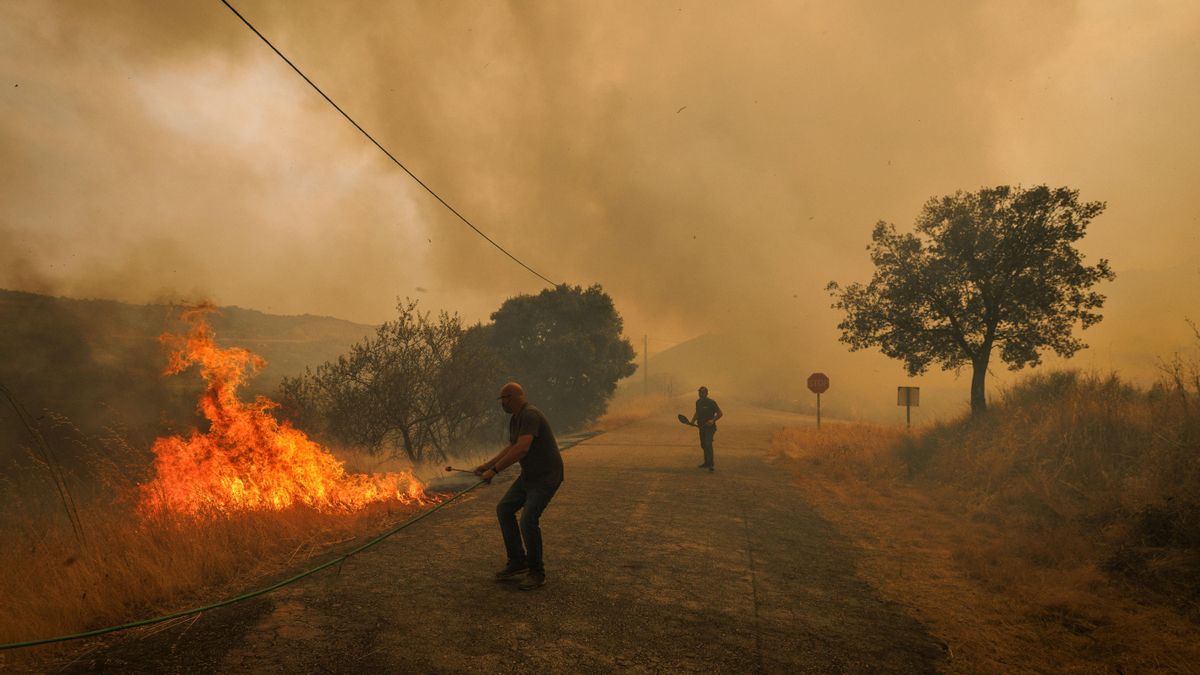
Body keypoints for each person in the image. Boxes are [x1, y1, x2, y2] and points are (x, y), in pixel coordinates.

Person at [475, 382, 563, 591]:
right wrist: (487, 465)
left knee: (528, 520)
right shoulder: (516, 419)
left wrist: (494, 471)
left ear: (512, 397)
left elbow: (522, 449)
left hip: (546, 477)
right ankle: (517, 561)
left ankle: (536, 573)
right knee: (504, 509)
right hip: (529, 476)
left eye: (503, 399)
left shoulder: (530, 415)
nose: (501, 403)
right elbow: (512, 446)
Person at [690, 386, 723, 471]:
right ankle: (706, 462)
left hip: (710, 428)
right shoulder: (698, 402)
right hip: (701, 427)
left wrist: (713, 420)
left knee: (708, 443)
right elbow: (697, 412)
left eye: (702, 392)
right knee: (703, 445)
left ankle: (711, 464)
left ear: (707, 393)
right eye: (699, 392)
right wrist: (693, 420)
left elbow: (720, 413)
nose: (700, 394)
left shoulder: (712, 402)